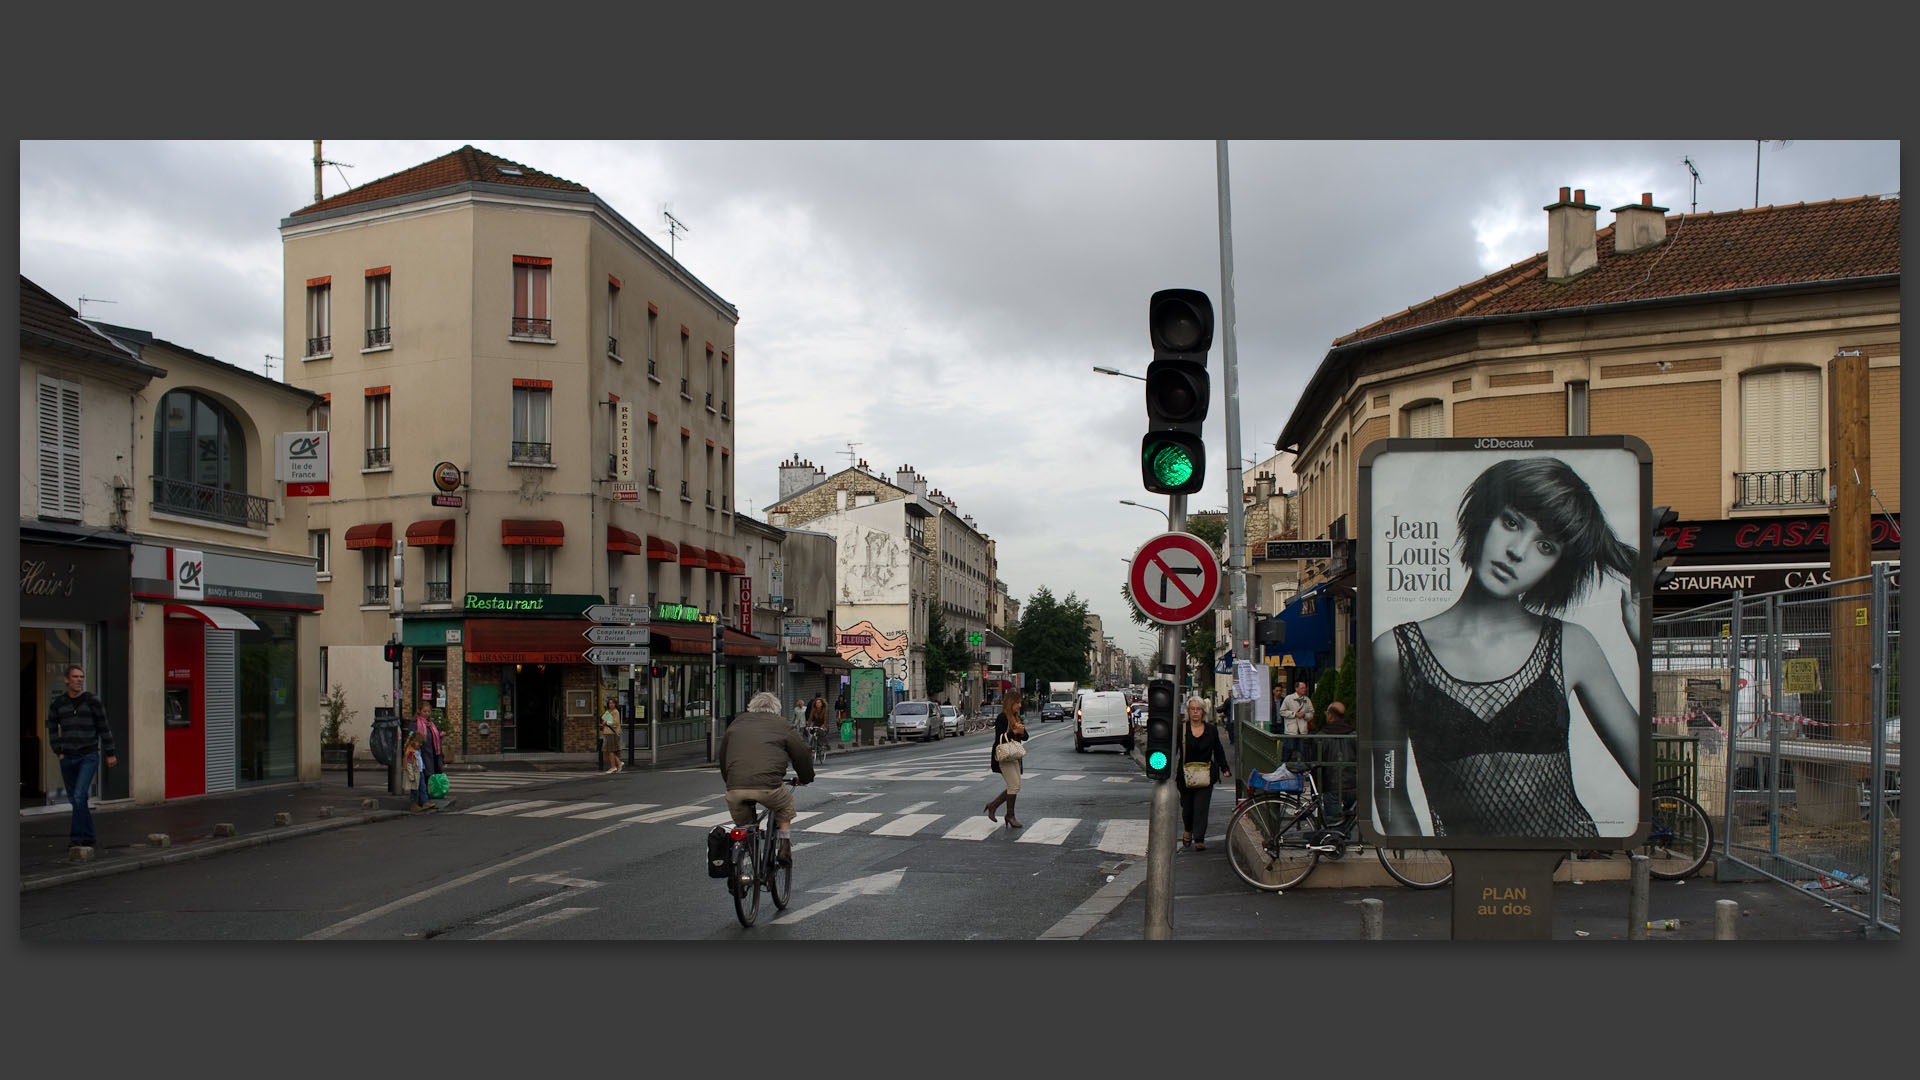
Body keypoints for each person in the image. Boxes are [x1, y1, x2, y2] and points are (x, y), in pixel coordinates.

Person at [1372, 456, 1641, 839]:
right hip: (1458, 865)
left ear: (1558, 566)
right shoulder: (1395, 652)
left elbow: (1644, 770)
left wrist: (1641, 647)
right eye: (1512, 522)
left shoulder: (1571, 644)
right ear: (1485, 516)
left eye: (1545, 546)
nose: (1516, 551)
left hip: (1567, 858)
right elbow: (1389, 790)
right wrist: (1426, 866)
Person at [718, 690, 815, 867]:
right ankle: (785, 845)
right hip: (769, 787)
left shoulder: (736, 723)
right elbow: (802, 753)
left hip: (735, 789)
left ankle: (743, 865)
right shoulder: (782, 725)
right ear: (776, 709)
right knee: (784, 806)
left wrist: (731, 782)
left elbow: (723, 757)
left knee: (745, 826)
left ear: (751, 707)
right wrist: (806, 777)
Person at [47, 664, 116, 851]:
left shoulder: (92, 700)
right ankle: (89, 836)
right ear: (66, 680)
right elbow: (52, 728)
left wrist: (110, 752)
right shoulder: (58, 703)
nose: (79, 680)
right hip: (67, 757)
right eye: (75, 677)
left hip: (88, 755)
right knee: (76, 800)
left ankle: (77, 839)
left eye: (81, 677)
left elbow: (104, 726)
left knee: (79, 796)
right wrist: (58, 750)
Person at [1175, 696, 1231, 851]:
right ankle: (1188, 829)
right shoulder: (1182, 729)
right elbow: (1173, 750)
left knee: (1201, 807)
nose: (1195, 712)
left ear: (1203, 712)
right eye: (1192, 709)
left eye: (1198, 709)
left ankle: (1199, 838)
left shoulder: (1211, 730)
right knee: (1187, 808)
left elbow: (1218, 750)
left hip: (1206, 774)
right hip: (1185, 775)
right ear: (1188, 712)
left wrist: (1224, 768)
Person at [983, 689, 1028, 829]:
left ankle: (993, 806)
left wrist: (1021, 731)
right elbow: (999, 738)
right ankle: (1010, 815)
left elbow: (1026, 736)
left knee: (1016, 786)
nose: (1020, 705)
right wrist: (1014, 732)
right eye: (1017, 702)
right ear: (1011, 703)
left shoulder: (1017, 717)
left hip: (1014, 755)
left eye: (1020, 702)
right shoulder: (1002, 717)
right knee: (1014, 785)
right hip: (1003, 755)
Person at [1317, 701, 1358, 819]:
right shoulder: (1353, 735)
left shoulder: (1322, 736)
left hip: (1331, 783)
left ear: (1330, 715)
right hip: (1352, 783)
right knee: (1348, 820)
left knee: (1333, 821)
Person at [1278, 680, 1315, 762]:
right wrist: (1294, 714)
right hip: (1291, 730)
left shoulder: (1307, 700)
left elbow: (1312, 713)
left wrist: (1304, 715)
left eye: (1305, 688)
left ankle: (1304, 771)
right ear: (1296, 689)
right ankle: (1284, 769)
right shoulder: (1288, 698)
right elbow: (1282, 712)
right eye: (1302, 688)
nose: (1304, 689)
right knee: (1288, 751)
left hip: (1302, 731)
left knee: (1304, 753)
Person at [413, 708, 445, 784]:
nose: (426, 713)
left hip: (433, 752)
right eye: (424, 711)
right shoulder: (416, 723)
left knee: (431, 773)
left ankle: (428, 792)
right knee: (424, 773)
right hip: (423, 751)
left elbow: (433, 736)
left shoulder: (430, 724)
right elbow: (411, 734)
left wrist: (439, 735)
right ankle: (422, 793)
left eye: (428, 711)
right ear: (419, 712)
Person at [402, 731, 430, 812]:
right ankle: (414, 804)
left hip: (420, 772)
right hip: (414, 774)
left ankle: (425, 802)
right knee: (414, 790)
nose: (420, 745)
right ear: (414, 741)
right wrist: (411, 775)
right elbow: (409, 764)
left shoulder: (417, 750)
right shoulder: (410, 751)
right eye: (419, 743)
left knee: (423, 787)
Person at [599, 700, 623, 773]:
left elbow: (616, 723)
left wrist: (607, 722)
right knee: (609, 750)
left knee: (610, 750)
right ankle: (618, 763)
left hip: (611, 733)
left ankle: (613, 766)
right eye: (609, 703)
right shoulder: (608, 711)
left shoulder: (615, 712)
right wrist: (604, 722)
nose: (611, 704)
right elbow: (603, 720)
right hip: (606, 732)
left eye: (612, 703)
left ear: (615, 704)